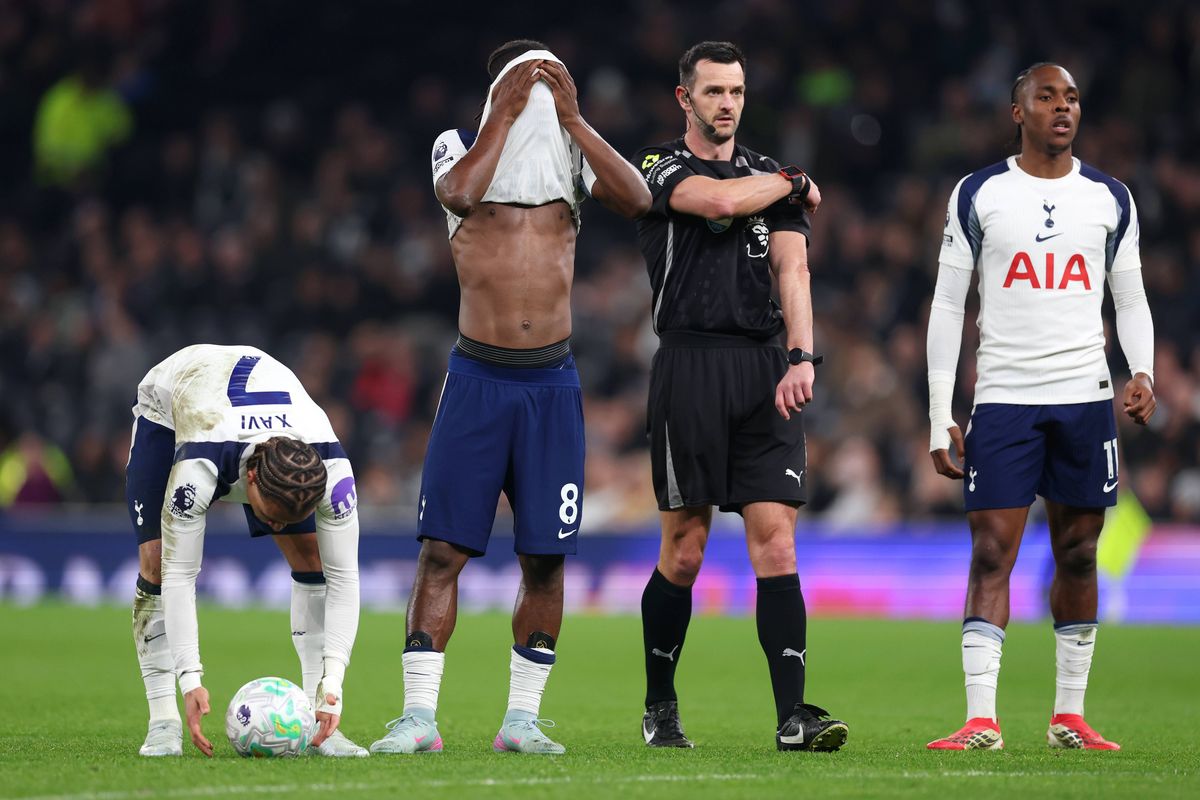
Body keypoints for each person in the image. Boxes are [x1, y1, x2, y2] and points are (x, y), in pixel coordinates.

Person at [368, 40, 650, 756]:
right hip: (477, 380)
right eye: (525, 80)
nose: (537, 92)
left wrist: (576, 118)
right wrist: (503, 108)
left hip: (550, 386)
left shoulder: (571, 152)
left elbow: (641, 199)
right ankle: (419, 719)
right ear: (494, 86)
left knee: (546, 561)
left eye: (547, 81)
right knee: (441, 554)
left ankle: (521, 722)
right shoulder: (459, 145)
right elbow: (459, 196)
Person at [925, 63, 1156, 751]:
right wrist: (942, 408)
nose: (1063, 108)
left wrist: (1139, 369)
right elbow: (946, 304)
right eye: (1048, 97)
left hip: (1085, 399)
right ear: (1017, 111)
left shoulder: (1110, 197)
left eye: (1073, 98)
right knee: (992, 552)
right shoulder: (980, 193)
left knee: (1080, 554)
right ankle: (980, 721)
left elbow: (1131, 297)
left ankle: (1069, 717)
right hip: (1004, 399)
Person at [632, 41, 848, 752]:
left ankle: (794, 717)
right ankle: (660, 705)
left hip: (762, 370)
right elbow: (720, 201)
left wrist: (801, 355)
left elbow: (794, 269)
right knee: (686, 550)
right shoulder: (658, 165)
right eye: (715, 91)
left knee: (777, 544)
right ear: (684, 98)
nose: (728, 104)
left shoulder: (771, 177)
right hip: (689, 366)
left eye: (738, 92)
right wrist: (794, 178)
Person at [127, 344, 365, 758]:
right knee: (157, 564)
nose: (276, 527)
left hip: (258, 412)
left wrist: (335, 683)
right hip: (173, 406)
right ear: (250, 478)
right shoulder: (199, 468)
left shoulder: (332, 470)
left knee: (311, 558)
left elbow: (344, 578)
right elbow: (182, 575)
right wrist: (191, 679)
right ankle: (163, 721)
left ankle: (316, 720)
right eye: (271, 517)